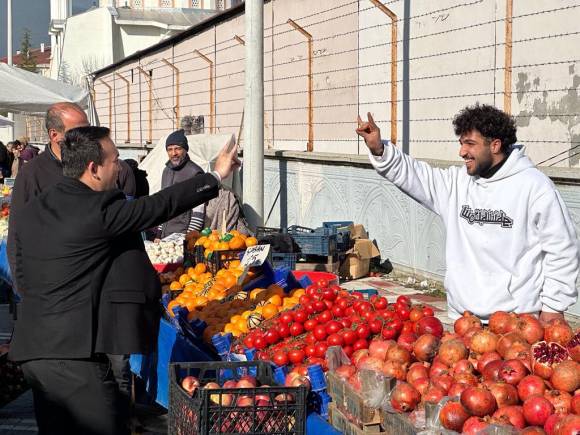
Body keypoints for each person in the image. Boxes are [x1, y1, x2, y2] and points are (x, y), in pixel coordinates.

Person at [10, 126, 239, 435]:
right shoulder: (97, 210)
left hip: (35, 349)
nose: (119, 166)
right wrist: (214, 176)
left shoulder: (31, 210)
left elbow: (20, 271)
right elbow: (158, 206)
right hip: (71, 356)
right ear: (93, 168)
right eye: (114, 160)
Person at [356, 103, 579, 324]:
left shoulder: (534, 186)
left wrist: (553, 306)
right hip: (462, 319)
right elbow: (415, 174)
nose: (462, 152)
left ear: (495, 145)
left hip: (515, 324)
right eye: (461, 143)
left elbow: (562, 248)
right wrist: (379, 149)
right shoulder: (457, 183)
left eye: (470, 144)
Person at [156, 129, 205, 239]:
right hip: (165, 235)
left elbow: (199, 210)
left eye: (178, 148)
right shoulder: (166, 171)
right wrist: (159, 234)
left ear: (185, 149)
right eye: (170, 149)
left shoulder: (195, 172)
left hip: (183, 234)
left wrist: (188, 237)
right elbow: (163, 204)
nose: (174, 153)